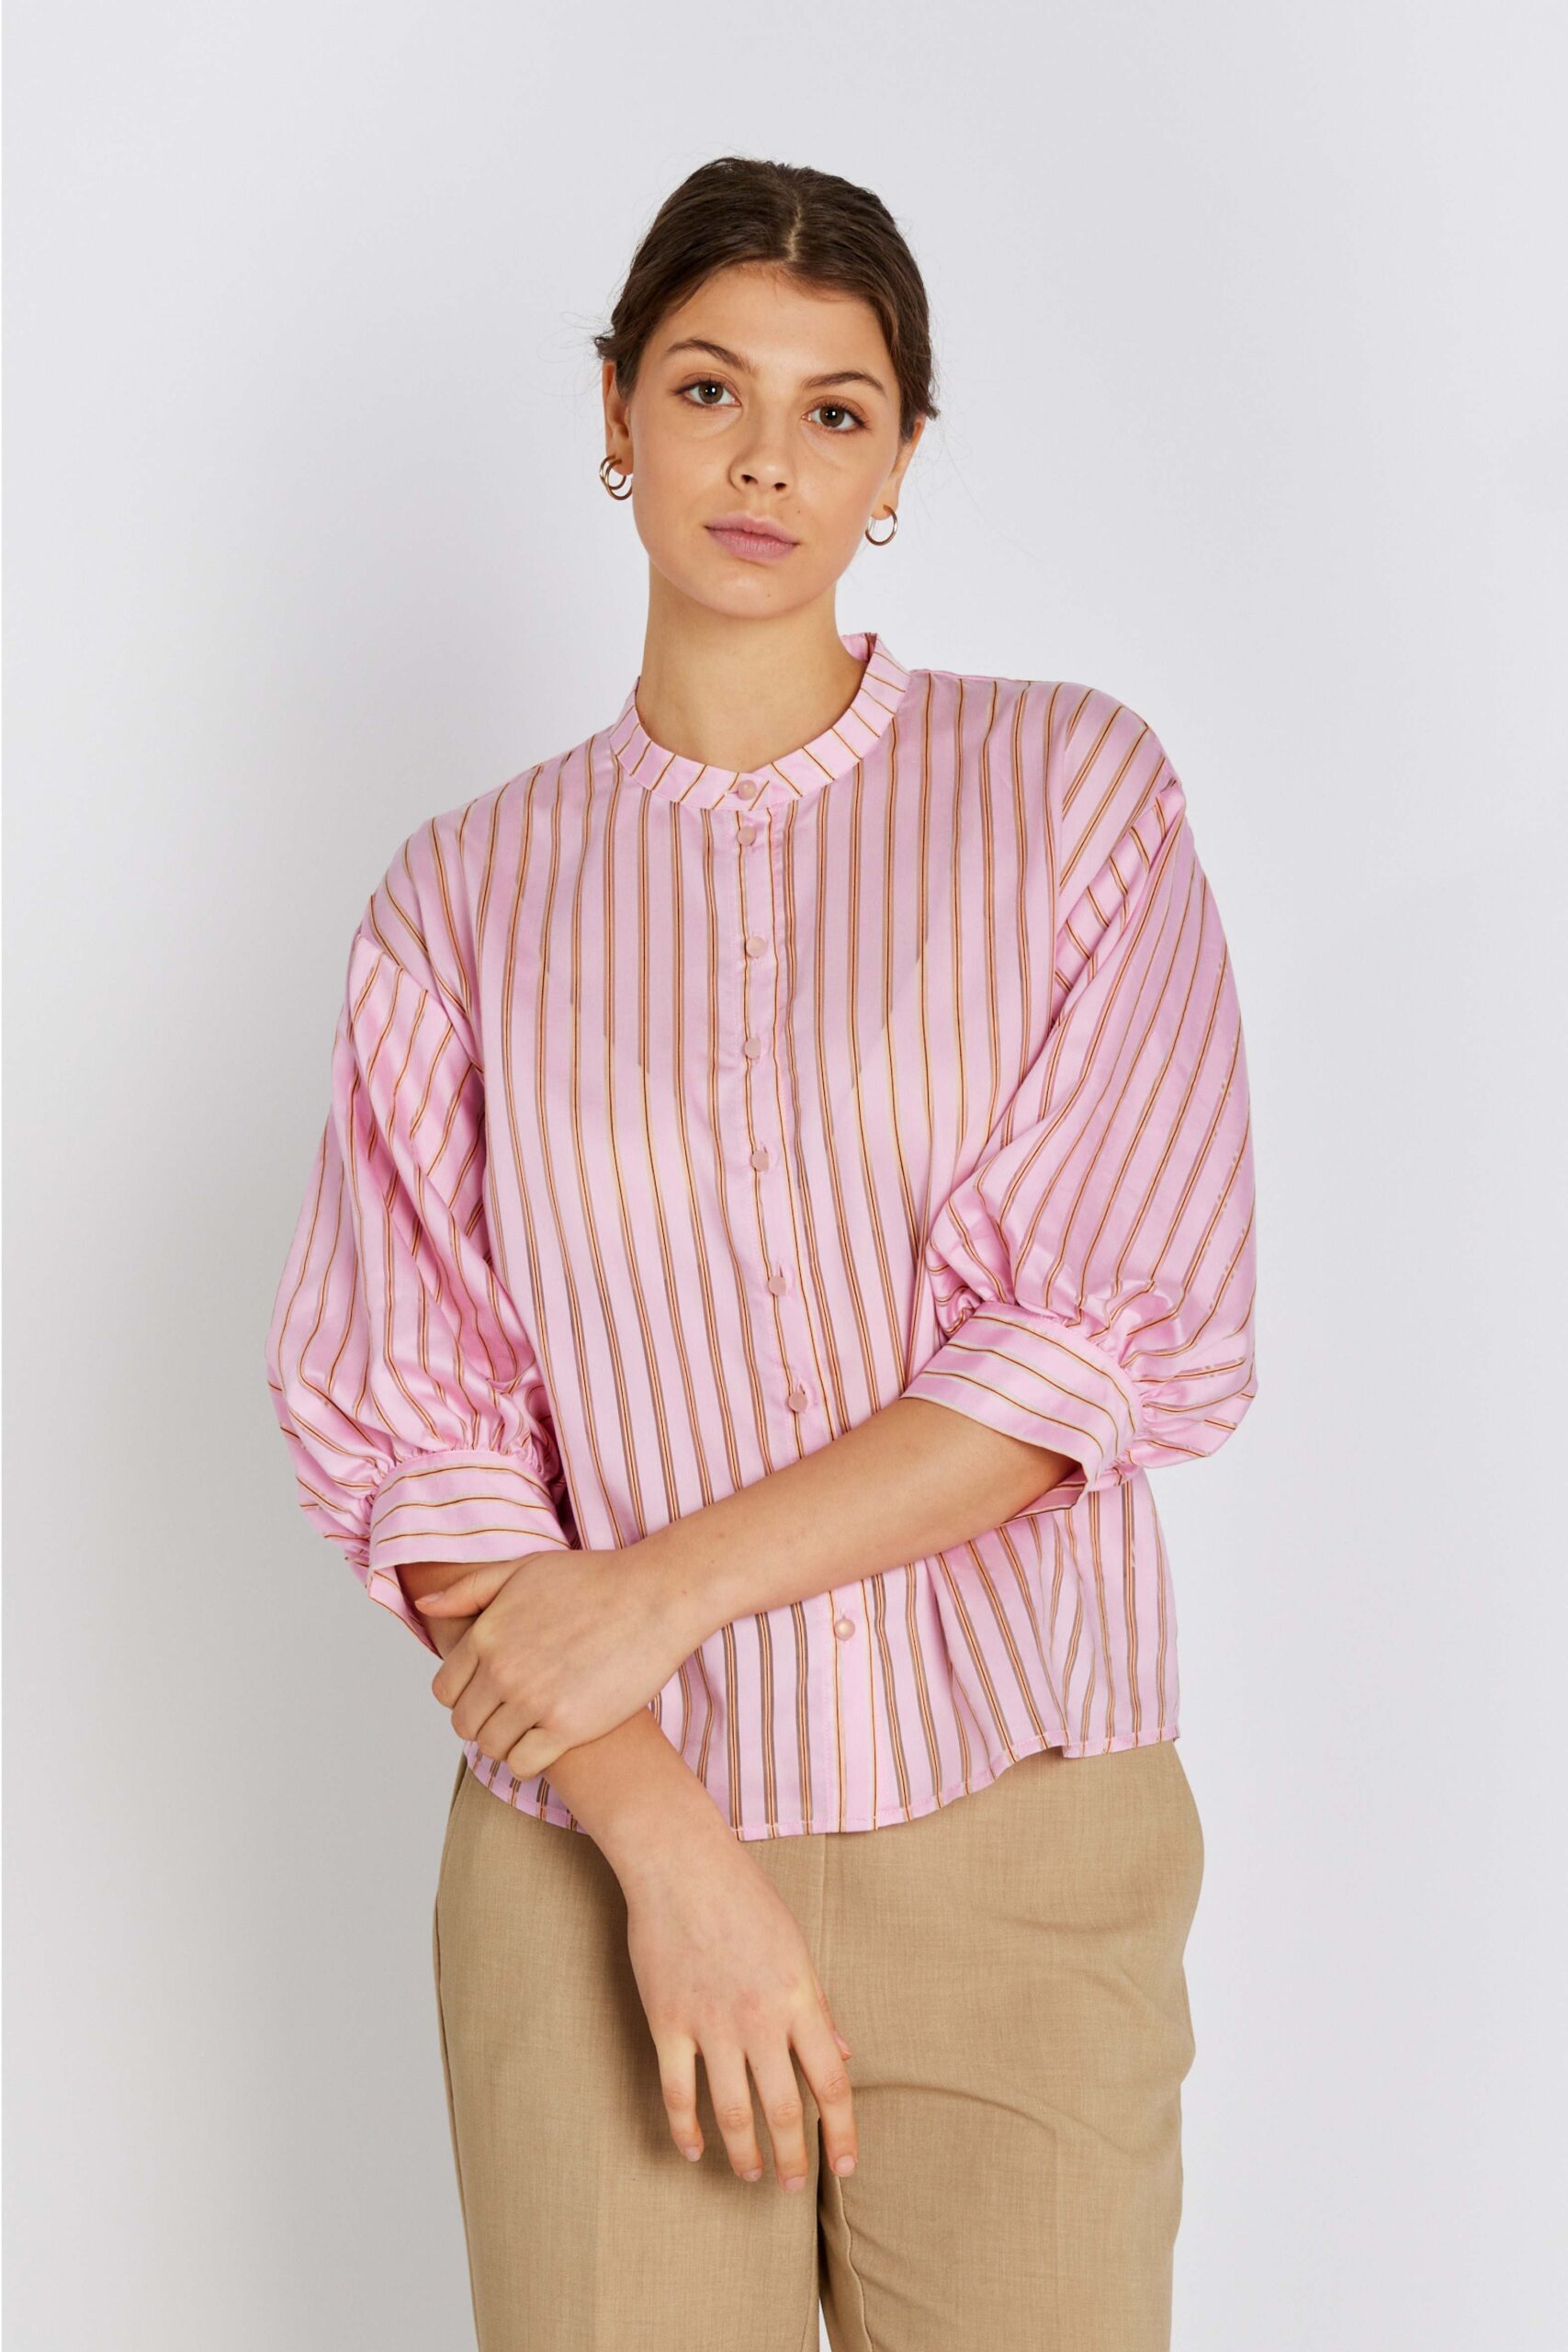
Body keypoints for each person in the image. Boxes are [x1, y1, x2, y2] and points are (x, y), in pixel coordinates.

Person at [264, 153, 1259, 2352]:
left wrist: (654, 1587)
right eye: (710, 387)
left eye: (836, 409)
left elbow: (1091, 1343)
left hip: (1016, 1826)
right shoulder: (459, 898)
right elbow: (413, 1429)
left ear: (897, 460)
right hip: (591, 1852)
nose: (764, 458)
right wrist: (660, 1838)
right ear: (616, 410)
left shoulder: (1071, 796)